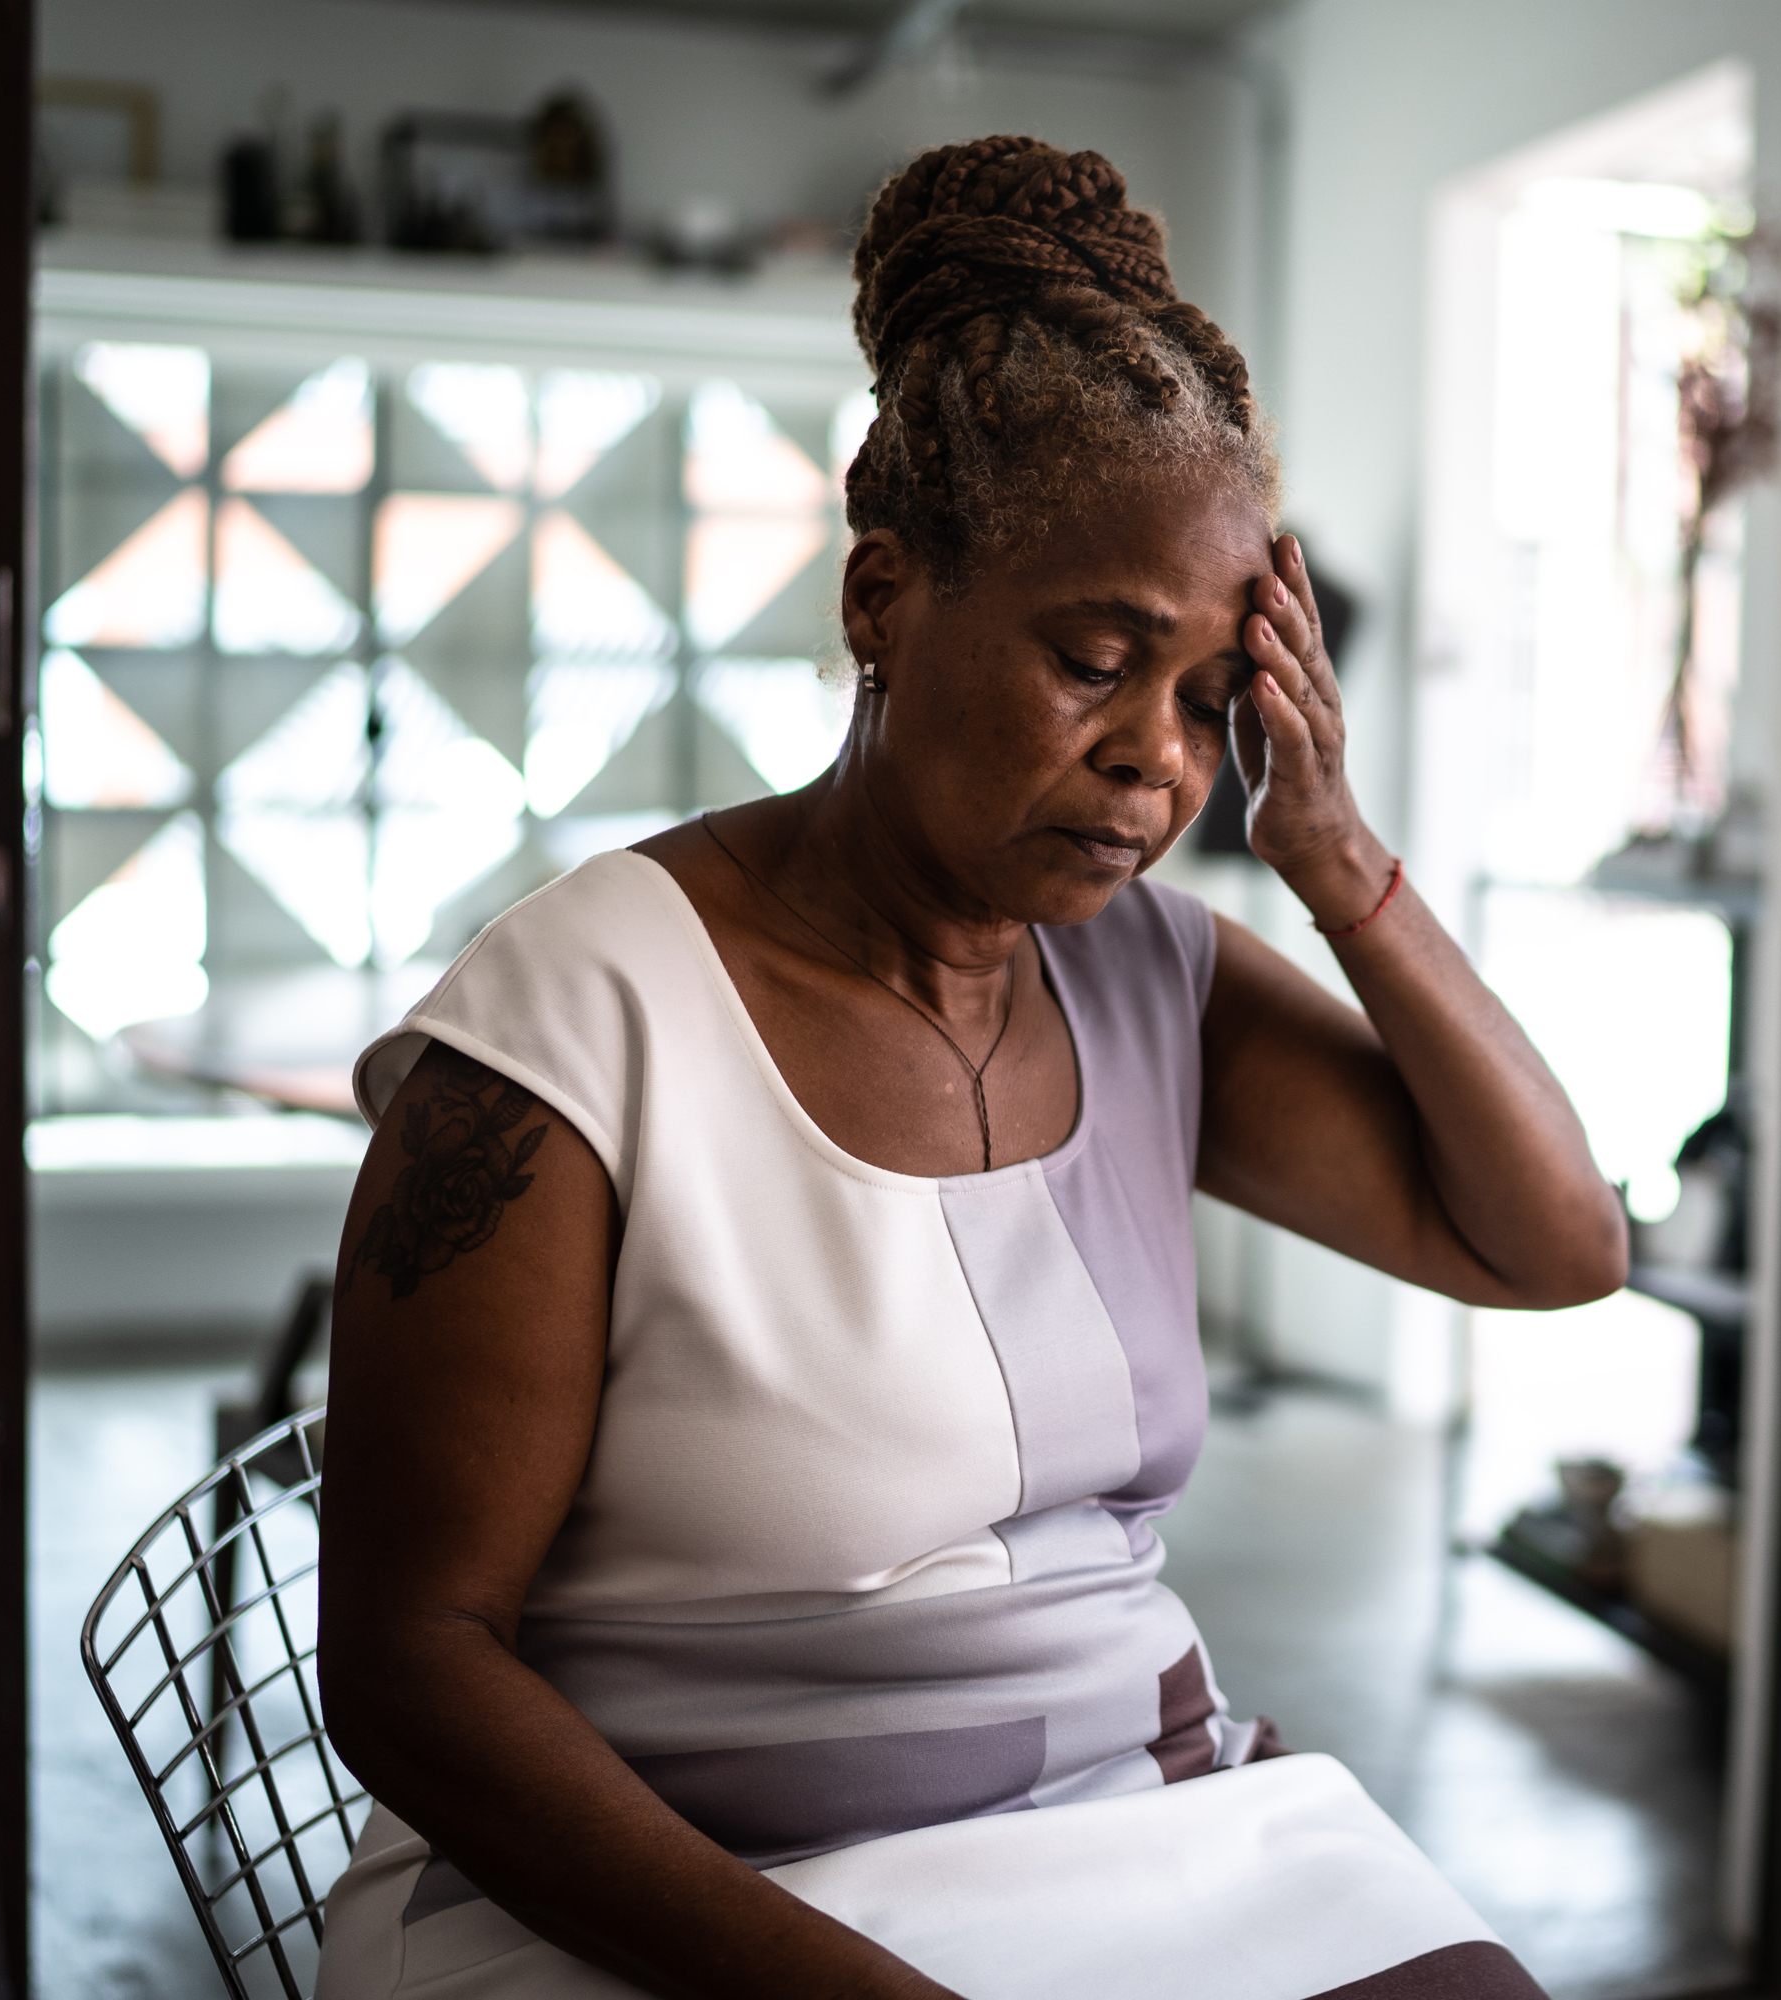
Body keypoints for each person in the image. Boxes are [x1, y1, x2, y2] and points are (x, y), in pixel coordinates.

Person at [312, 134, 1626, 1999]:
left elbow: (1553, 1244)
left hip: (1118, 1825)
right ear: (880, 603)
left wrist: (1331, 857)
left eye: (1206, 698)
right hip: (682, 1891)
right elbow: (408, 1664)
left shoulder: (1148, 973)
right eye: (1097, 661)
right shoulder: (576, 1028)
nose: (1157, 763)